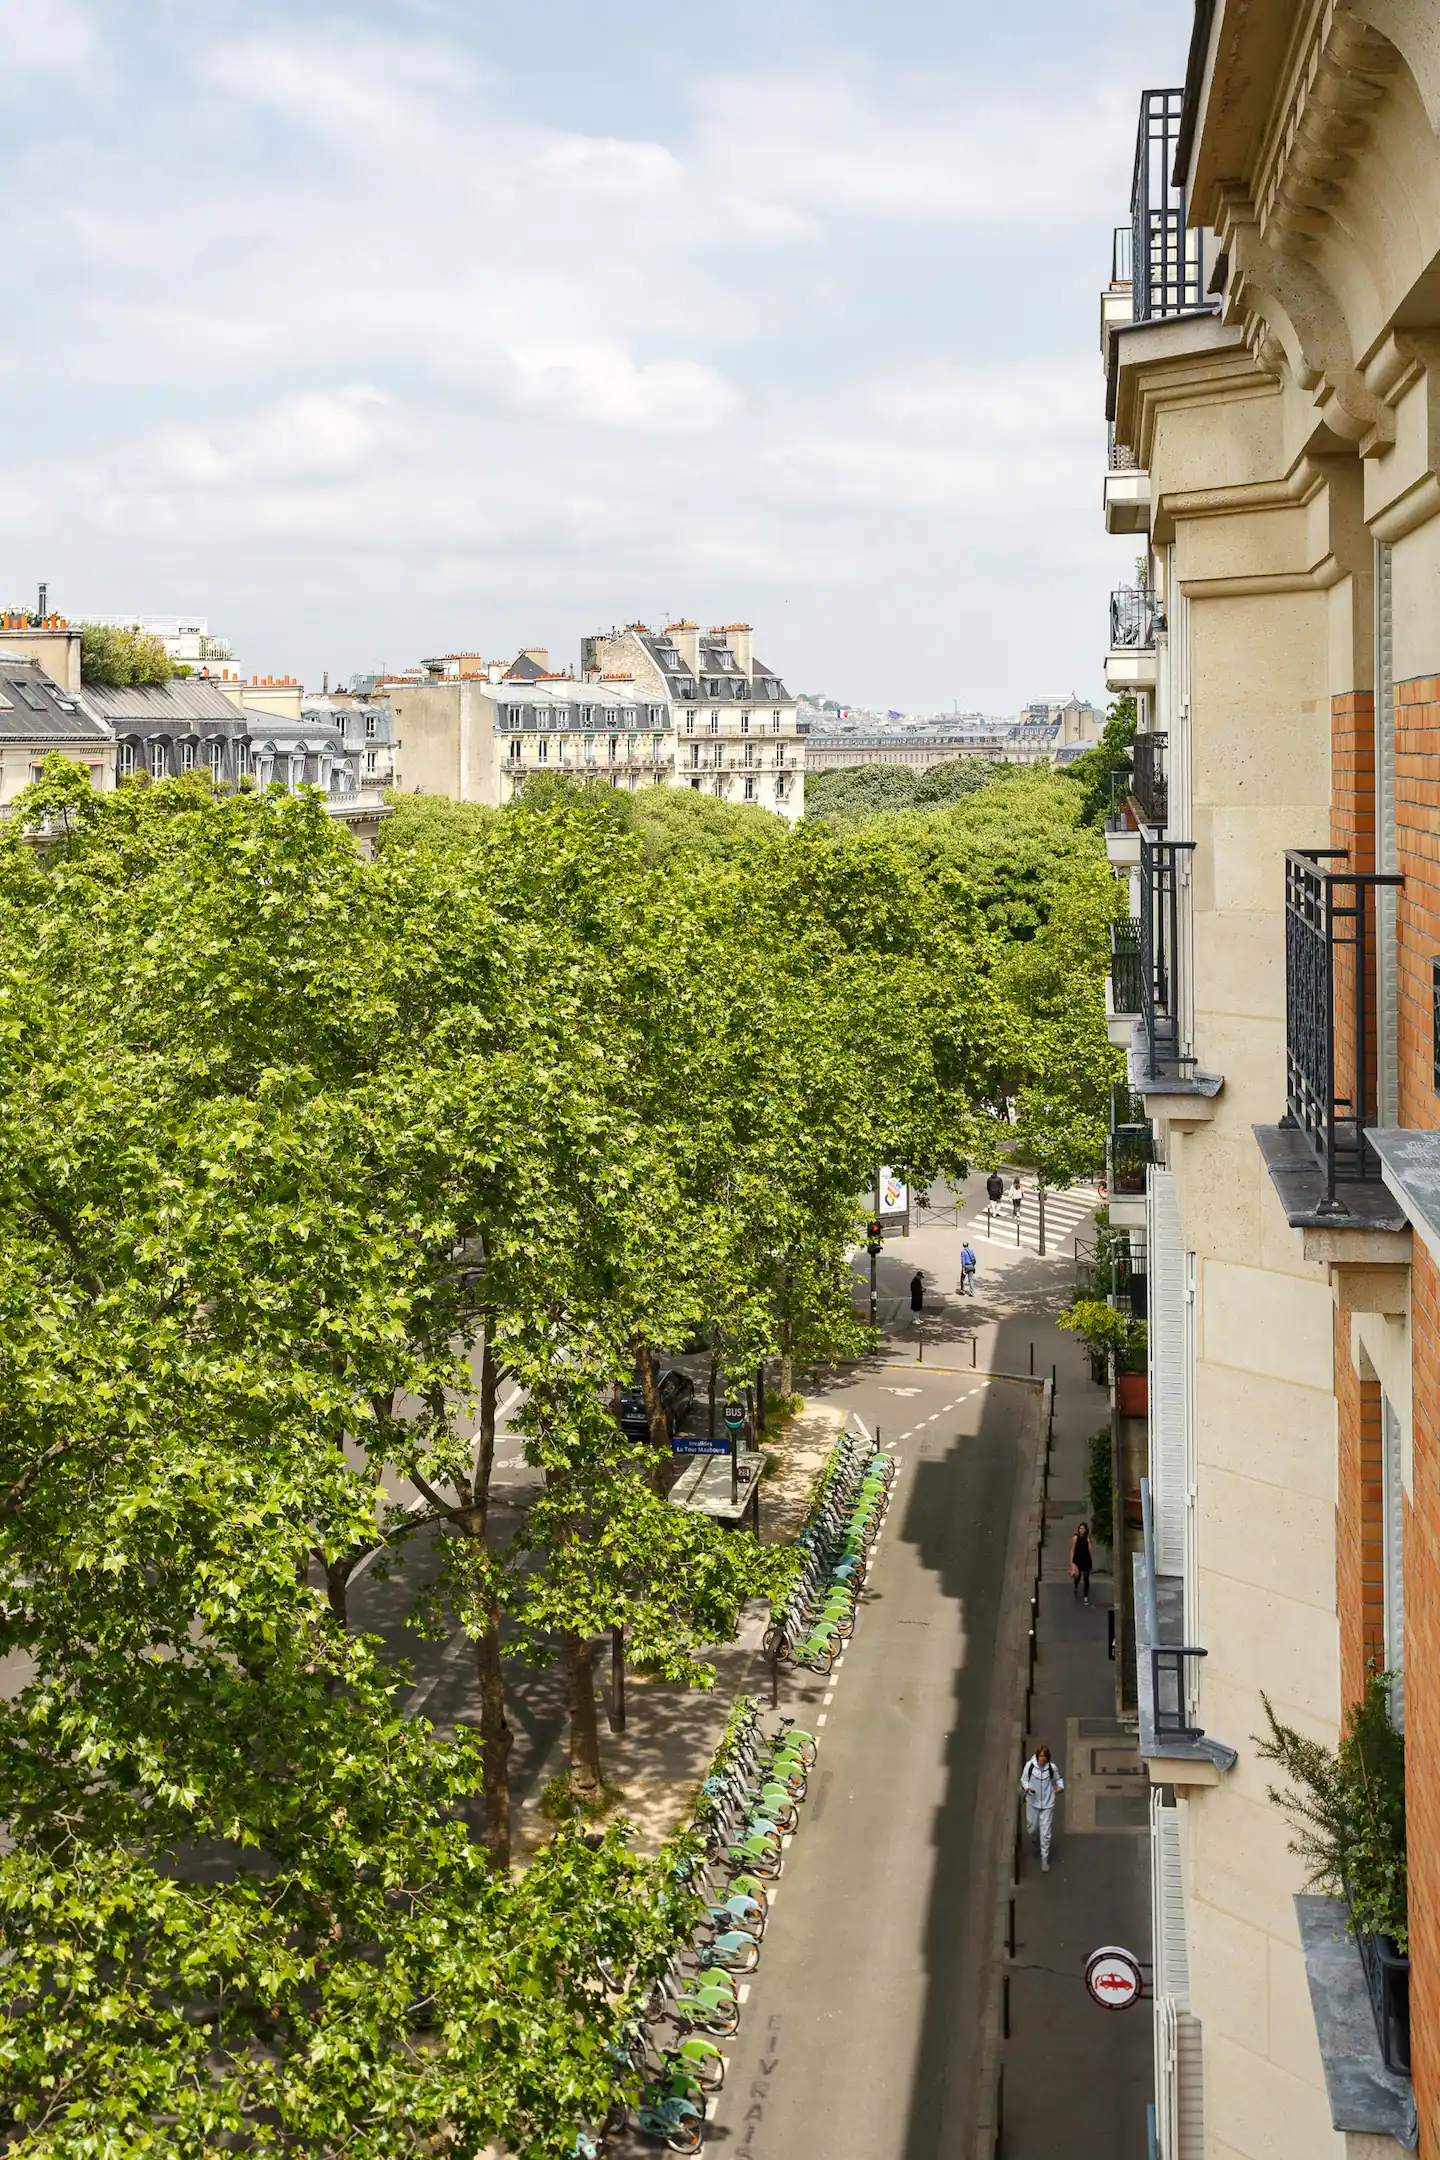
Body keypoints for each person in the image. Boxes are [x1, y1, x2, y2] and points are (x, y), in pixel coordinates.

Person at [1020, 1743, 1065, 1871]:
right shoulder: (1030, 1766)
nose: (1042, 1760)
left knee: (1046, 1833)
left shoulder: (1052, 1768)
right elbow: (1024, 1779)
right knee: (1032, 1828)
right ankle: (1035, 1844)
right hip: (1032, 1802)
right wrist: (1027, 1788)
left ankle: (1044, 1859)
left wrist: (1060, 1788)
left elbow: (1058, 1779)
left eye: (1044, 1758)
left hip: (1047, 1803)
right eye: (1040, 1757)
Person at [1070, 1520, 1094, 1604]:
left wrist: (1089, 1541)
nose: (1081, 1530)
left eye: (1083, 1529)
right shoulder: (1075, 1539)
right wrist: (1072, 1563)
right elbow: (1072, 1550)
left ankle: (1085, 1596)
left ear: (1086, 1530)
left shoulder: (1087, 1539)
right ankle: (1076, 1586)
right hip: (1077, 1560)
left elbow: (1091, 1551)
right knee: (1078, 1576)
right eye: (1080, 1528)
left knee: (1086, 1578)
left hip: (1086, 1561)